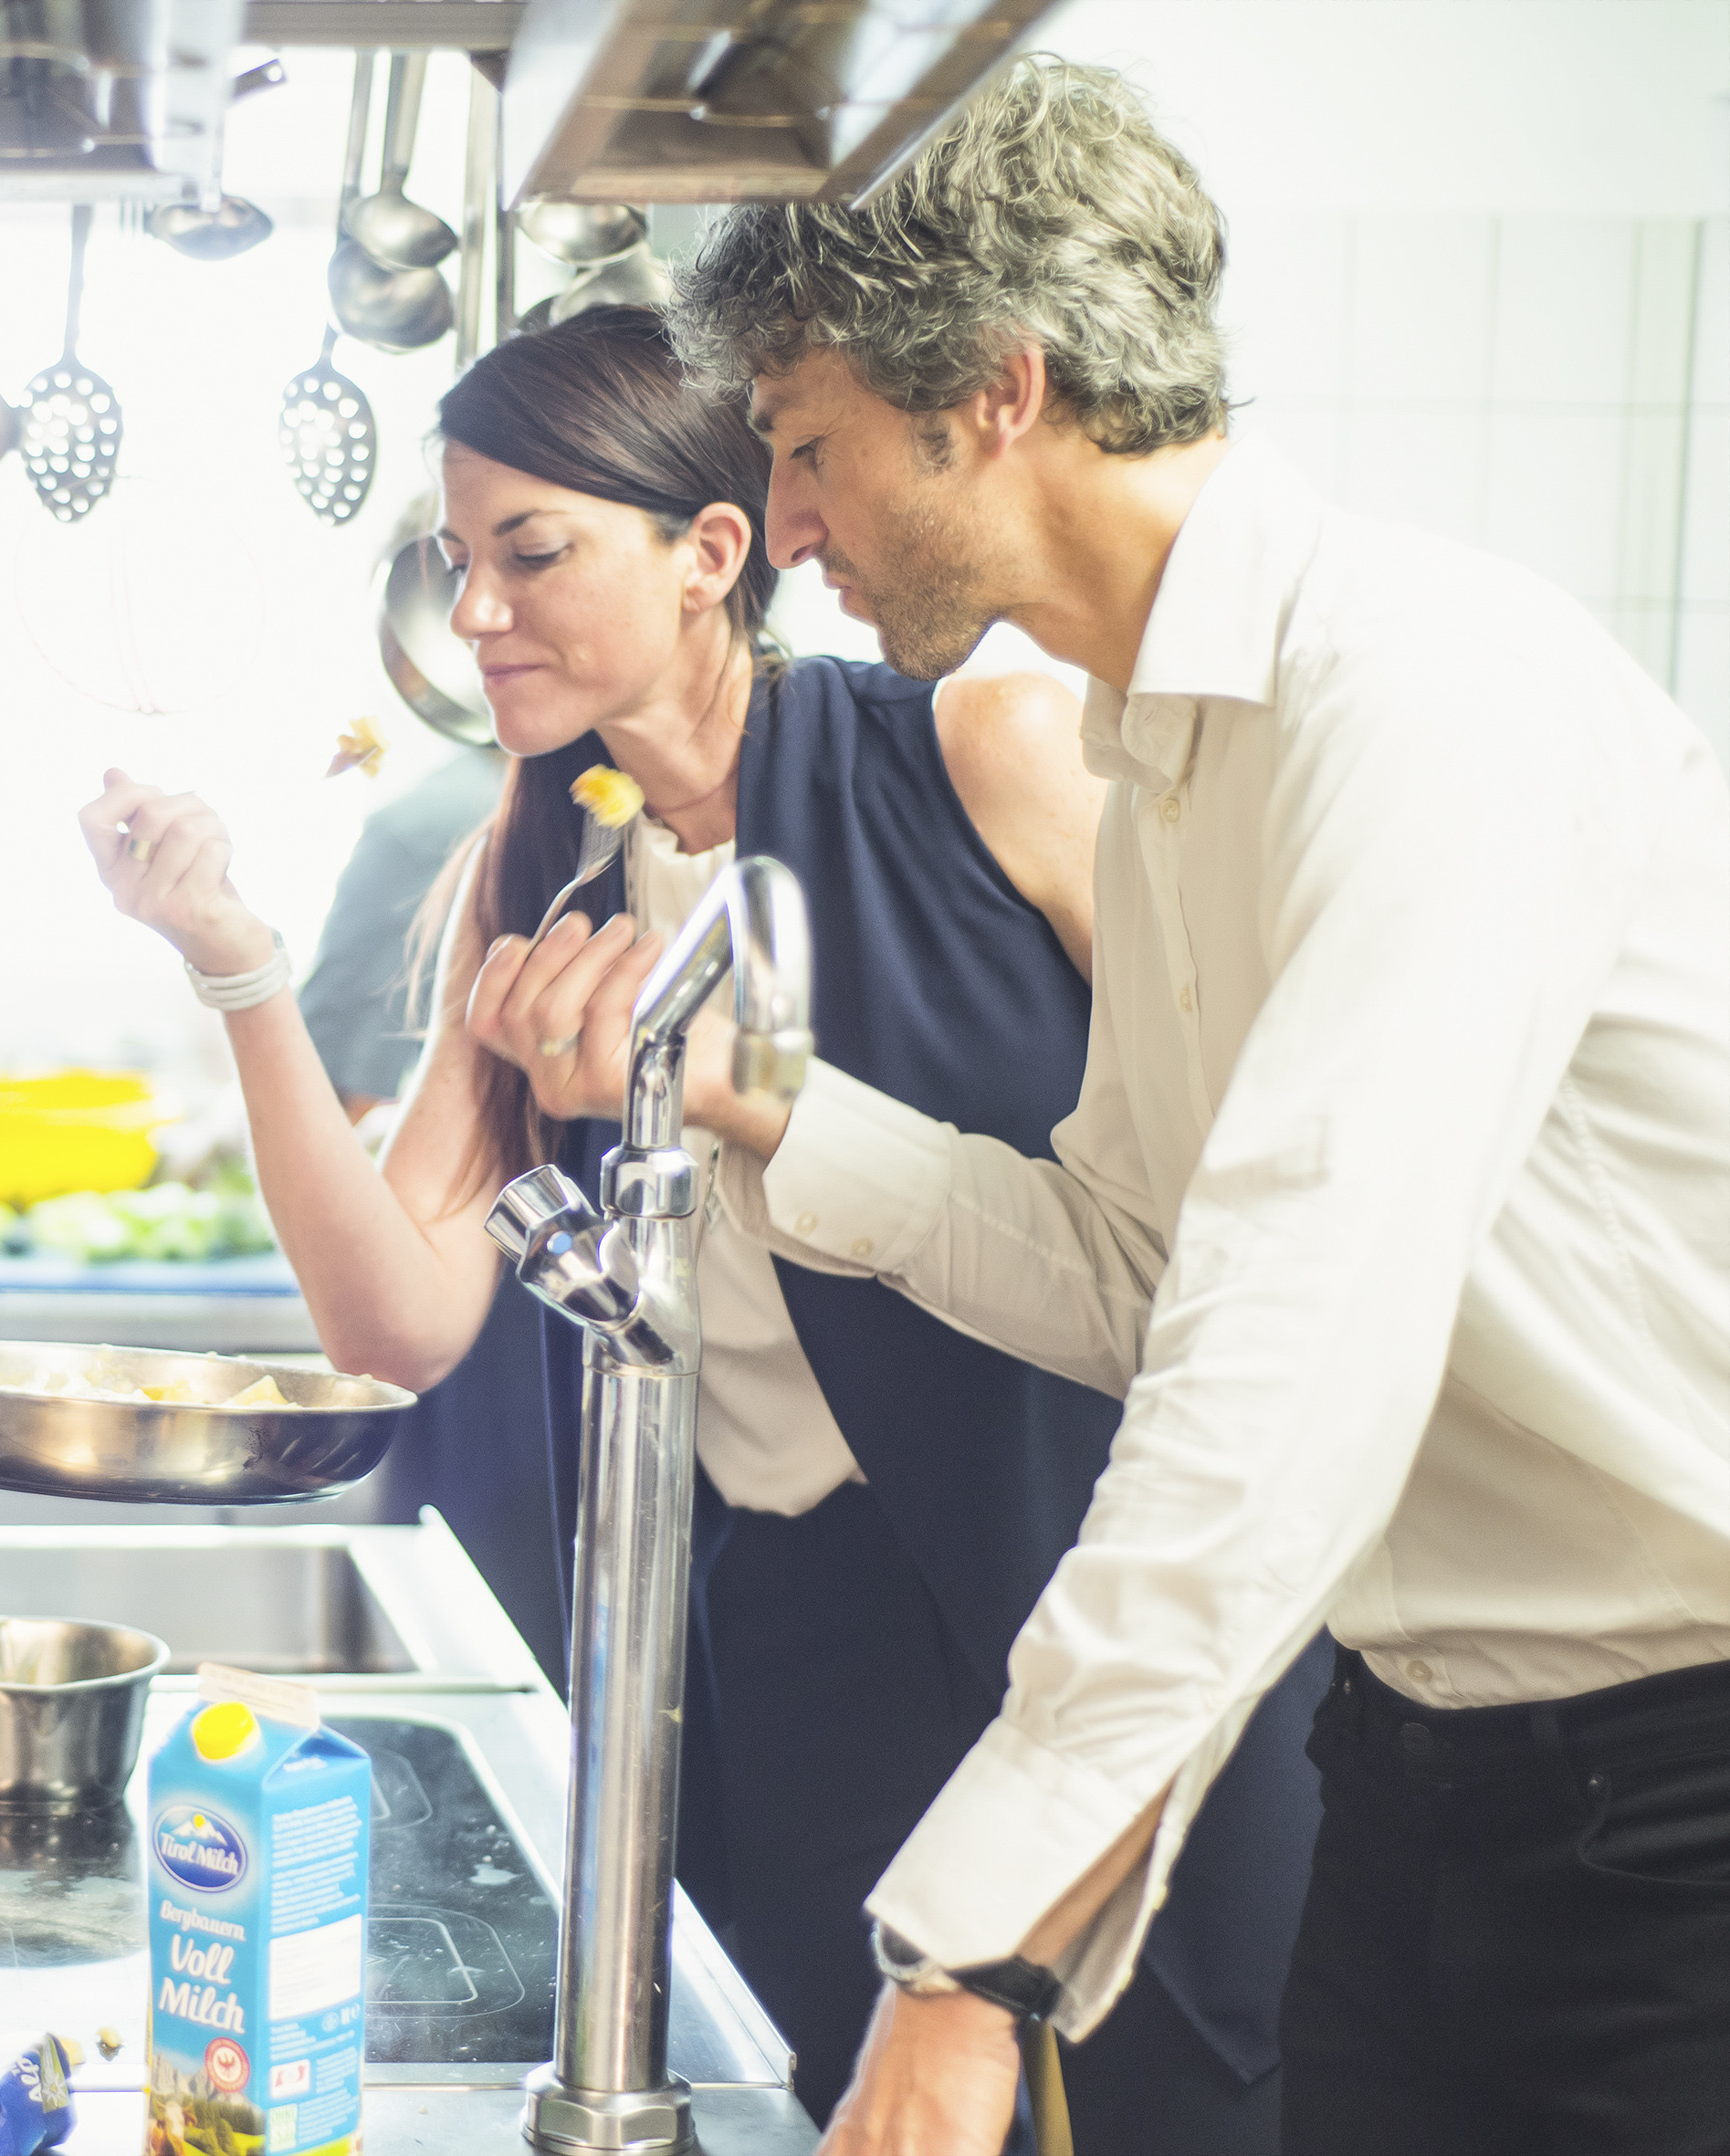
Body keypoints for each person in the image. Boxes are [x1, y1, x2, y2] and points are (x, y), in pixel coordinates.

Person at [78, 305, 1323, 2148]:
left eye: (533, 552)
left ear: (713, 553)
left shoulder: (983, 747)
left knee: (1198, 2106)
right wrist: (238, 964)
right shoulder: (542, 864)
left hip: (1103, 1585)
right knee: (831, 2103)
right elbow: (397, 1315)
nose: (477, 610)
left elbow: (1258, 1192)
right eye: (459, 559)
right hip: (804, 1624)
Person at [664, 55, 1730, 2156]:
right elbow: (1138, 1264)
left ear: (993, 383)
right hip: (1418, 1774)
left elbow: (1277, 1364)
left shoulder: (1427, 700)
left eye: (805, 447)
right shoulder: (1164, 761)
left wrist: (967, 1955)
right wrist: (775, 1107)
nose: (784, 530)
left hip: (1684, 1811)